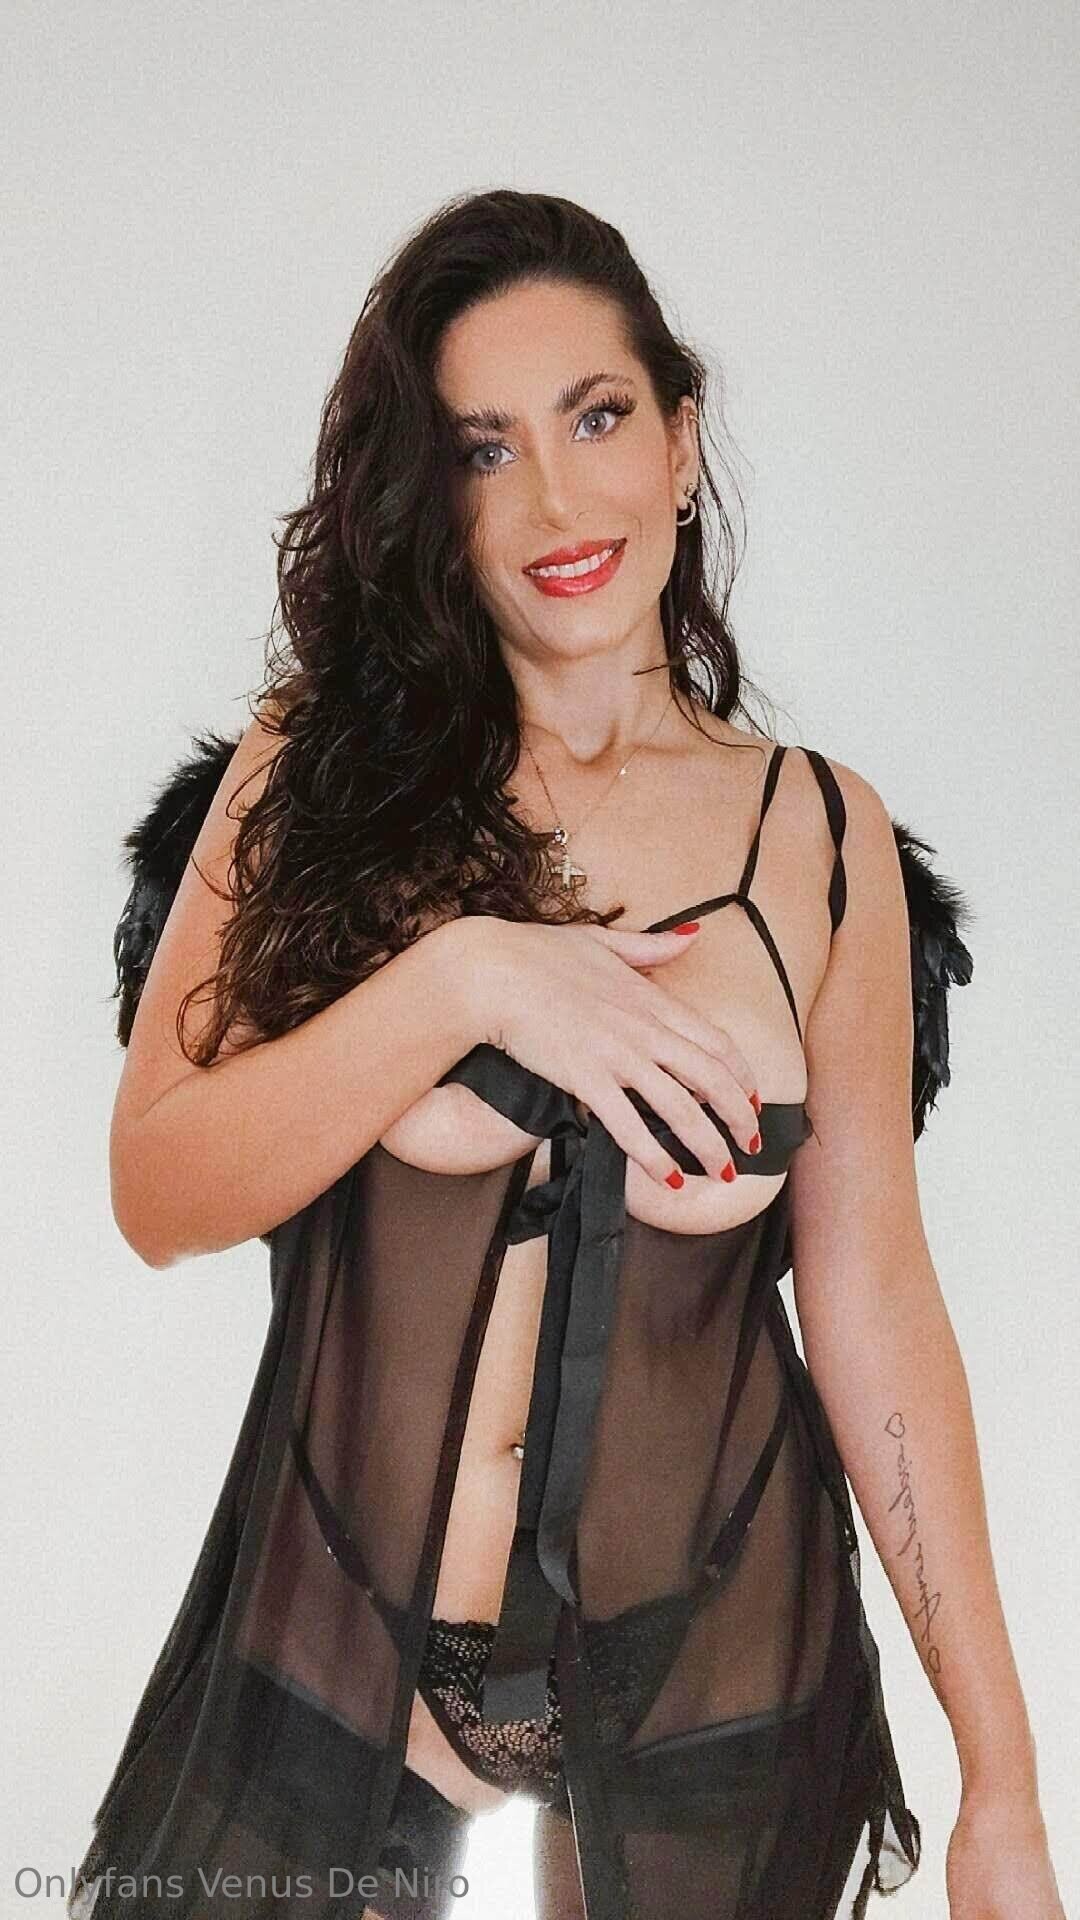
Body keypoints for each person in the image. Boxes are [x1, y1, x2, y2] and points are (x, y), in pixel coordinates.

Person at [69, 190, 1064, 1920]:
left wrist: (1003, 1775)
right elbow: (159, 1186)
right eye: (484, 450)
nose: (551, 500)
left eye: (596, 419)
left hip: (716, 1677)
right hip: (335, 1655)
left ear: (681, 440)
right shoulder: (317, 778)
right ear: (433, 497)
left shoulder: (822, 840)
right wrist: (468, 981)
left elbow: (878, 1308)